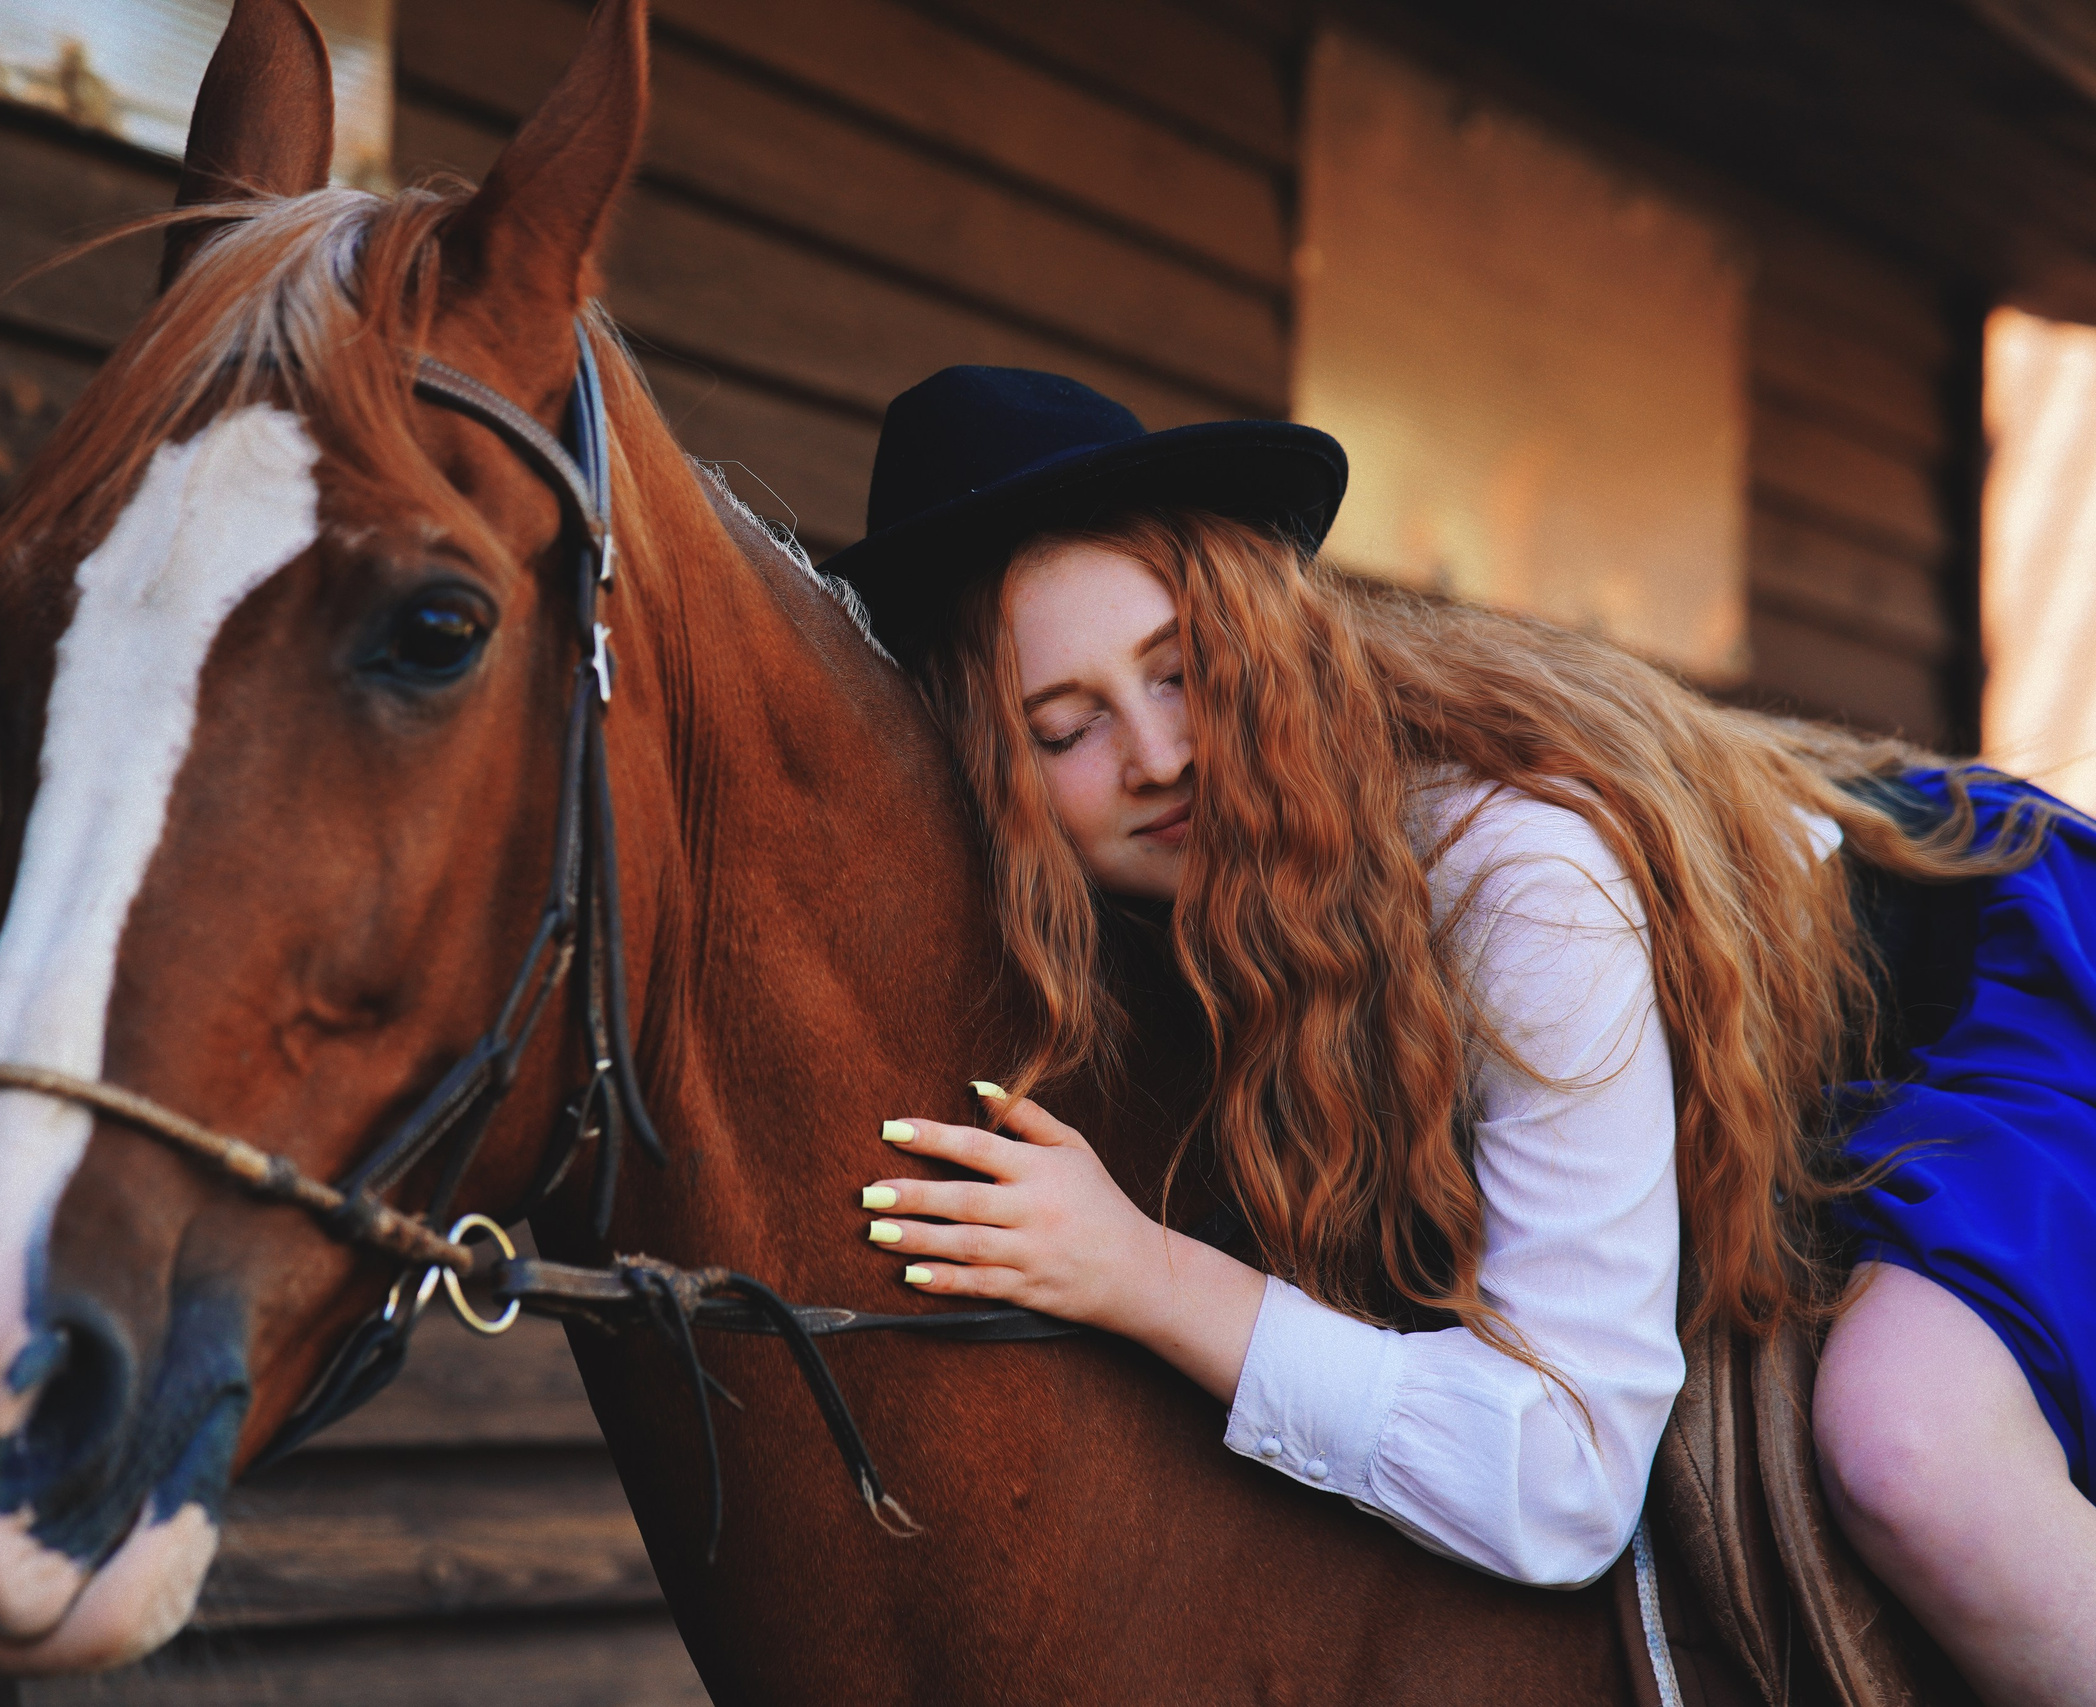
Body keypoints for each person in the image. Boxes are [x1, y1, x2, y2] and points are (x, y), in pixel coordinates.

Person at [820, 366, 2096, 1707]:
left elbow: (1569, 1482)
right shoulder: (1130, 914)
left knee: (1911, 1448)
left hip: (2003, 976)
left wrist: (1141, 1274)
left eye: (1182, 673)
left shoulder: (1513, 878)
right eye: (1066, 729)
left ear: (1260, 633)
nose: (1155, 756)